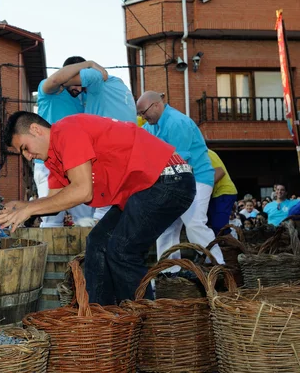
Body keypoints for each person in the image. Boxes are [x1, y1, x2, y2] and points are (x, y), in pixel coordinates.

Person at [0, 112, 196, 305]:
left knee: (122, 250)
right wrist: (21, 206)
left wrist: (29, 209)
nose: (27, 156)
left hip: (168, 179)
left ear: (35, 130)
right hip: (145, 189)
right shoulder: (54, 159)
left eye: (24, 147)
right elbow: (53, 202)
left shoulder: (67, 131)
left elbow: (82, 191)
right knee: (97, 243)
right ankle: (100, 317)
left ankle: (144, 324)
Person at [137, 91, 223, 264]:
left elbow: (178, 159)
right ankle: (169, 272)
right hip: (174, 180)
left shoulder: (177, 122)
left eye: (144, 112)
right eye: (140, 114)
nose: (143, 117)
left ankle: (218, 266)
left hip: (197, 178)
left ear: (156, 105)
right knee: (165, 226)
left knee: (194, 224)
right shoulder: (150, 126)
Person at [56, 56, 137, 221]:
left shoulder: (95, 77)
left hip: (111, 151)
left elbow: (58, 78)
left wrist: (88, 65)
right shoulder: (115, 85)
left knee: (102, 211)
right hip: (126, 151)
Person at [32, 60, 98, 227]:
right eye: (77, 81)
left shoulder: (85, 98)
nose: (79, 87)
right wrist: (88, 64)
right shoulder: (50, 91)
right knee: (50, 219)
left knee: (85, 221)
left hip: (77, 164)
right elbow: (54, 80)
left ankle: (87, 254)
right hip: (47, 164)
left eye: (82, 83)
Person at [206, 150, 238, 235]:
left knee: (220, 227)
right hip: (215, 194)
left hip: (223, 192)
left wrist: (203, 189)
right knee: (214, 226)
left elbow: (220, 172)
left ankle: (233, 246)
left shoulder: (206, 153)